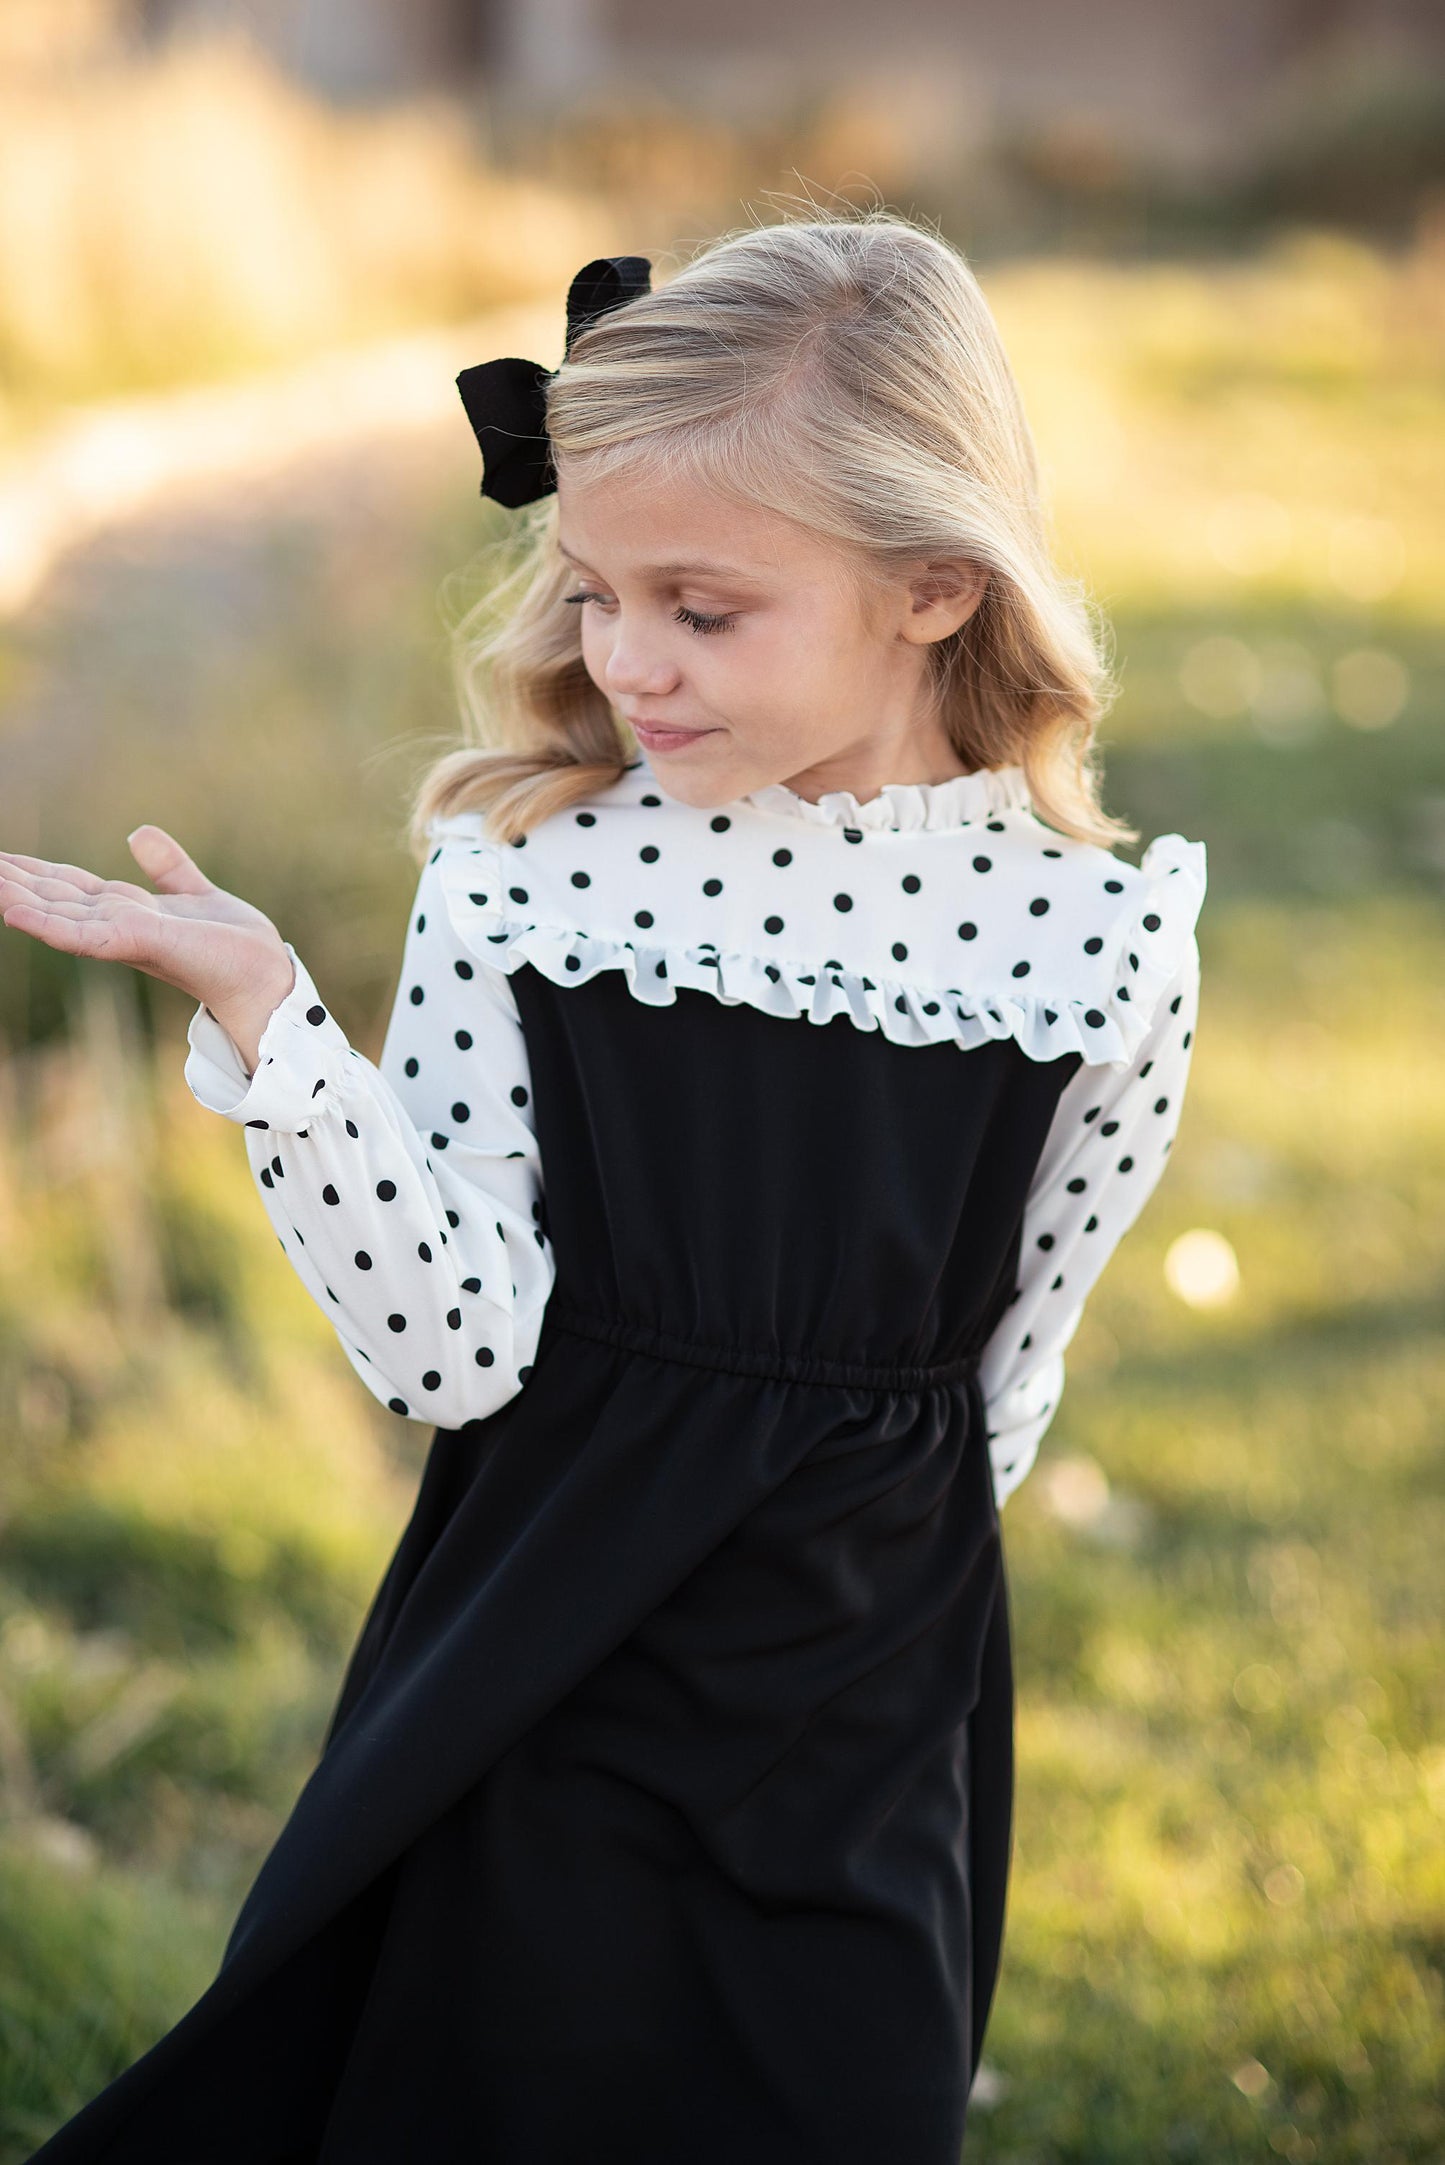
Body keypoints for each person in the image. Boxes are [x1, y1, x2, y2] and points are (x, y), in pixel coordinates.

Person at [6, 213, 1206, 2163]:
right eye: (591, 592)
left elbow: (1008, 1377)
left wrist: (879, 1653)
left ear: (932, 586)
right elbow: (452, 1356)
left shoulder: (1100, 945)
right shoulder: (533, 877)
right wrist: (283, 1037)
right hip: (541, 1686)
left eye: (701, 609)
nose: (624, 660)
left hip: (861, 1721)